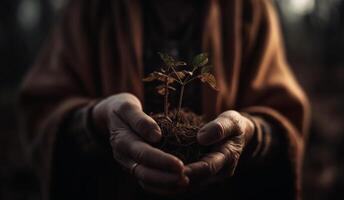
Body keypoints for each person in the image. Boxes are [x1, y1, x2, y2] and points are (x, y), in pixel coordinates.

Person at [19, 0, 310, 199]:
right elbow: (42, 112)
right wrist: (95, 121)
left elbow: (284, 116)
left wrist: (252, 135)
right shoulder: (89, 9)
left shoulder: (249, 9)